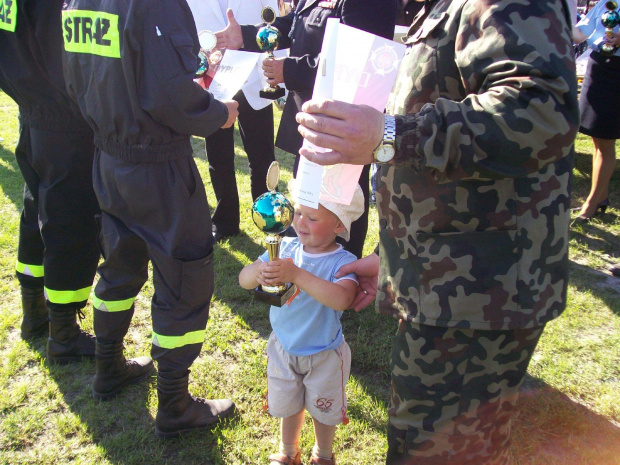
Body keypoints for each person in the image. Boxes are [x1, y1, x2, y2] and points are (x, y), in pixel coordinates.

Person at [296, 0, 579, 463]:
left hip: (479, 299)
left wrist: (391, 135)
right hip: (452, 285)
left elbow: (540, 114)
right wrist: (395, 260)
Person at [61, 0, 239, 437]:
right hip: (158, 168)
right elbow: (169, 93)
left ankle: (109, 367)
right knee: (184, 279)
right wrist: (218, 114)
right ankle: (175, 404)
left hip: (109, 157)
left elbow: (74, 77)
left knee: (118, 265)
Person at [215, 0, 398, 258]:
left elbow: (360, 57)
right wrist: (246, 35)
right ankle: (311, 277)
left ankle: (338, 282)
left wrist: (289, 69)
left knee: (335, 215)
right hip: (314, 119)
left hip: (344, 126)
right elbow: (293, 24)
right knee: (309, 210)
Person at [0, 0, 101, 364]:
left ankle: (34, 312)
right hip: (64, 117)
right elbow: (67, 50)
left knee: (36, 211)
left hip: (31, 109)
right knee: (68, 223)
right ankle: (64, 333)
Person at [238, 183, 364, 465]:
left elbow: (343, 298)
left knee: (323, 409)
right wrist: (259, 270)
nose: (300, 222)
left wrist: (297, 274)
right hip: (284, 348)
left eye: (313, 218)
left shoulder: (342, 261)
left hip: (324, 354)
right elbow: (243, 280)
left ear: (338, 227)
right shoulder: (284, 247)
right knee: (289, 405)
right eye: (299, 213)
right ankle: (287, 451)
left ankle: (323, 455)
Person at [186, 0, 279, 242]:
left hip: (254, 79)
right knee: (218, 157)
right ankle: (225, 221)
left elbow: (274, 23)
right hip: (211, 82)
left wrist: (276, 74)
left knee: (262, 156)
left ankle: (270, 217)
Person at [572, 1, 620, 223]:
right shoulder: (606, 2)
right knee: (597, 138)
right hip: (598, 65)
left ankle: (591, 204)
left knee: (605, 139)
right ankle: (601, 196)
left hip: (617, 70)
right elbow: (580, 34)